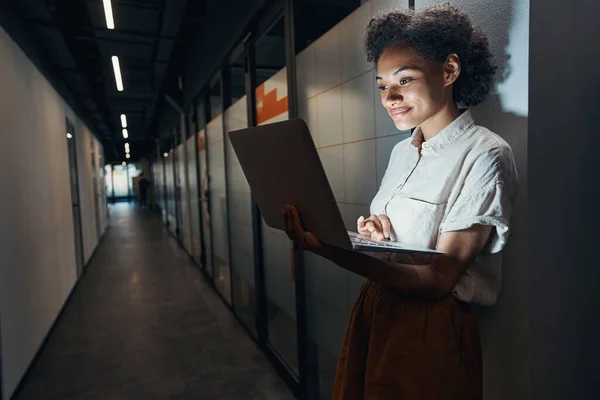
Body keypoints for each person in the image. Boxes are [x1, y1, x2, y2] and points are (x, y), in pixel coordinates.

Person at [282, 3, 518, 399]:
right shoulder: (402, 152)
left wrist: (332, 250)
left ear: (450, 70)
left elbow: (438, 279)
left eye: (404, 80)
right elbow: (406, 245)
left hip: (430, 326)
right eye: (381, 86)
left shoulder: (485, 154)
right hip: (377, 307)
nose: (390, 97)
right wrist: (379, 238)